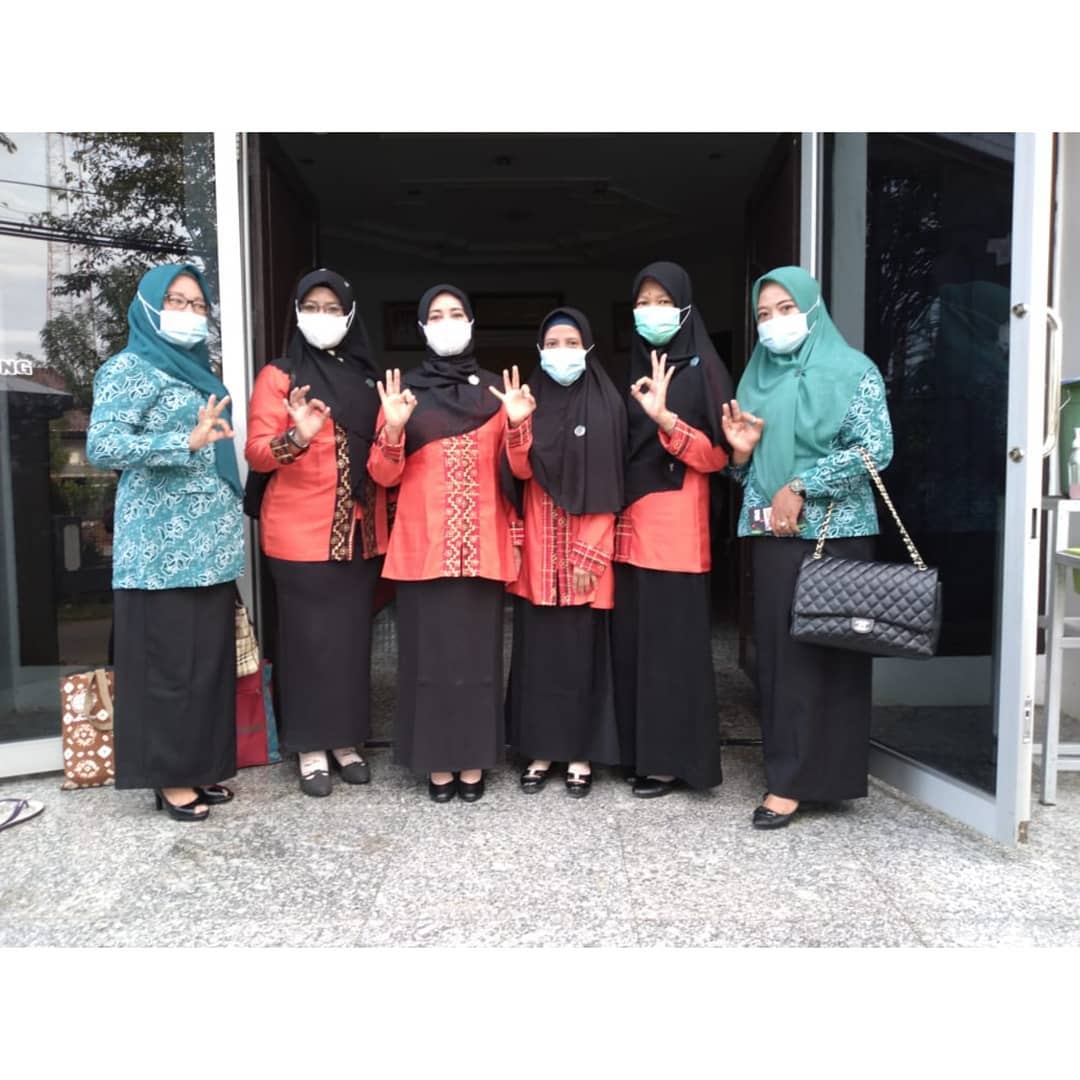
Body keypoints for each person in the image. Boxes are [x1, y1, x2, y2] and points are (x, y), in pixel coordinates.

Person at [724, 265, 894, 829]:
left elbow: (874, 449)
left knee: (837, 652)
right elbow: (745, 474)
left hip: (838, 533)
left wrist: (802, 485)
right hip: (773, 536)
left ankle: (834, 775)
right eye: (764, 314)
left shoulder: (854, 370)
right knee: (784, 658)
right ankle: (788, 780)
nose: (774, 322)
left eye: (785, 309)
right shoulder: (755, 380)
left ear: (812, 310)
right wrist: (741, 455)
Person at [86, 263, 244, 822]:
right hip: (159, 555)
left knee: (205, 671)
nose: (189, 312)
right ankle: (169, 778)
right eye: (177, 301)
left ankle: (197, 767)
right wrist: (184, 440)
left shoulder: (199, 372)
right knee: (169, 672)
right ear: (150, 307)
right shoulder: (129, 368)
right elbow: (103, 445)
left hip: (210, 552)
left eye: (198, 305)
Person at [367, 284, 518, 803]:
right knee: (428, 662)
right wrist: (393, 429)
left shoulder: (497, 392)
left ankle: (473, 761)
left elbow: (520, 471)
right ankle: (435, 762)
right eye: (436, 315)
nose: (447, 322)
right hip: (423, 547)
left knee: (477, 662)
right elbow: (382, 475)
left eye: (456, 313)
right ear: (422, 327)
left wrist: (520, 426)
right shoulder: (404, 392)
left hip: (483, 545)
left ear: (471, 323)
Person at [244, 269, 390, 797]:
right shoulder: (279, 376)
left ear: (349, 316)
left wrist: (396, 430)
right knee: (307, 644)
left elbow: (385, 461)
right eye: (312, 307)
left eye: (332, 308)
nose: (322, 317)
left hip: (360, 536)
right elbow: (257, 453)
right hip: (298, 536)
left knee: (350, 643)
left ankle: (345, 741)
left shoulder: (369, 380)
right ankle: (309, 746)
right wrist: (298, 434)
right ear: (297, 313)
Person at [612, 261, 734, 798]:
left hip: (675, 534)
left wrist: (666, 421)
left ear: (684, 307)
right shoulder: (631, 369)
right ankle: (639, 753)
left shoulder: (705, 370)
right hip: (628, 531)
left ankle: (671, 762)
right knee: (634, 648)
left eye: (663, 301)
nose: (652, 311)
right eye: (643, 302)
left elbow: (719, 457)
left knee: (670, 653)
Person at [500, 307, 627, 797]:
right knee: (538, 658)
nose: (561, 352)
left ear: (588, 347)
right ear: (539, 349)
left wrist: (590, 553)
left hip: (585, 554)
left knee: (582, 659)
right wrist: (517, 424)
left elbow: (612, 486)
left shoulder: (607, 406)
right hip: (538, 552)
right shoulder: (529, 401)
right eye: (552, 343)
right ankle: (540, 751)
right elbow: (520, 472)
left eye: (571, 342)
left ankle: (579, 754)